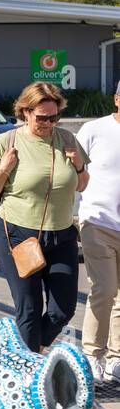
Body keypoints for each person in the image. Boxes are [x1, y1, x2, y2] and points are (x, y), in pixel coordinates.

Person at [0, 82, 89, 353]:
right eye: (42, 117)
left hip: (61, 235)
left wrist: (77, 165)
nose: (49, 123)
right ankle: (29, 371)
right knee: (29, 308)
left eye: (54, 117)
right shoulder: (8, 142)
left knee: (62, 310)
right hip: (18, 234)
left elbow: (82, 184)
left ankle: (26, 353)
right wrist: (4, 169)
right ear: (26, 112)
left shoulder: (67, 139)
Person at [76, 83, 120, 384]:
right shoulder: (94, 130)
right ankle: (92, 354)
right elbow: (74, 171)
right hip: (97, 222)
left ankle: (117, 360)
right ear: (117, 99)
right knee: (104, 289)